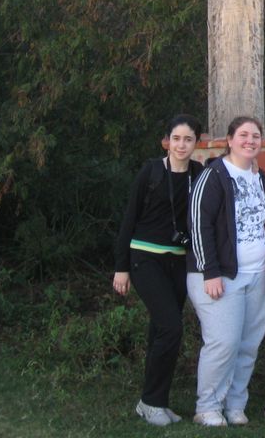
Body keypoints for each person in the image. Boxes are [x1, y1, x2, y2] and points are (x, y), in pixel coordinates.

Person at [113, 114, 204, 427]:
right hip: (145, 258)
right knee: (171, 327)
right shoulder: (151, 171)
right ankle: (151, 401)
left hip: (177, 262)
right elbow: (129, 217)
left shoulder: (198, 173)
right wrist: (121, 267)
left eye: (188, 139)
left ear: (196, 143)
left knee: (160, 331)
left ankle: (154, 401)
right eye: (176, 138)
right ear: (166, 141)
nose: (181, 145)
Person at [186, 116, 265, 427]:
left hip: (257, 275)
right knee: (223, 342)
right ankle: (208, 407)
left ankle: (235, 404)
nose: (250, 141)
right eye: (244, 135)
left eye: (256, 136)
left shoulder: (261, 178)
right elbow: (199, 224)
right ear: (230, 139)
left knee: (248, 344)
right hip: (220, 275)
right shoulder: (213, 176)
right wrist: (209, 271)